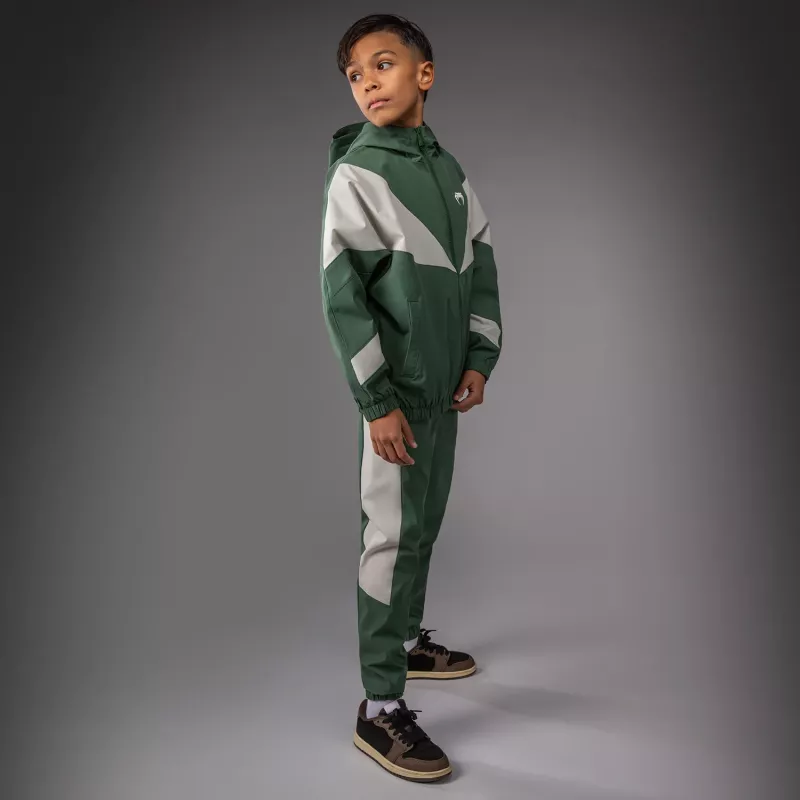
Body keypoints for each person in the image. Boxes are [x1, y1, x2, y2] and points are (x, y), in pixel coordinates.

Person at [319, 13, 503, 782]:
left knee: (421, 527)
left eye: (382, 64)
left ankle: (406, 641)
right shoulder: (358, 174)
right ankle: (379, 705)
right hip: (396, 400)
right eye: (354, 75)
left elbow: (479, 266)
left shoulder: (449, 171)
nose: (367, 82)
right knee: (390, 539)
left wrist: (480, 357)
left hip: (442, 395)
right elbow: (343, 298)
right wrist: (377, 402)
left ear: (424, 74)